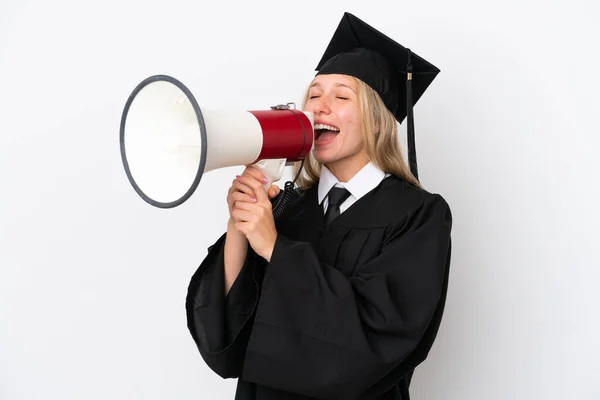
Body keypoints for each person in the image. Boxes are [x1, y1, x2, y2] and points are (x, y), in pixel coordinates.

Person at [185, 12, 453, 400]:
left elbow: (376, 340)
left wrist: (274, 248)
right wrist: (239, 229)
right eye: (313, 94)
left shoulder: (418, 215)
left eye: (341, 96)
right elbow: (226, 338)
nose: (319, 107)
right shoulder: (287, 207)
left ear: (377, 120)